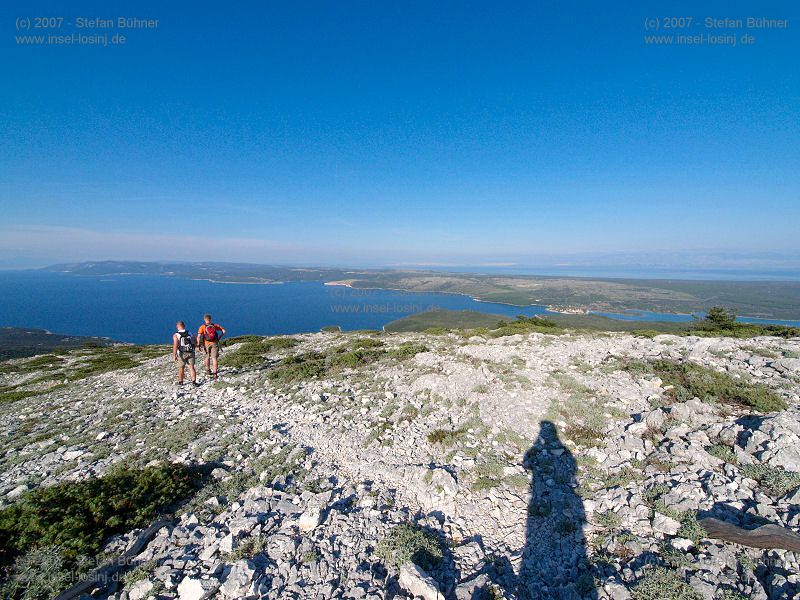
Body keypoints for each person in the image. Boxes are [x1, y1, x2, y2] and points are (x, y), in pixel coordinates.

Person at [197, 313, 226, 380]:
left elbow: (198, 336)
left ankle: (208, 370)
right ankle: (215, 374)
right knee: (214, 358)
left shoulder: (202, 327)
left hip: (206, 344)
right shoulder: (215, 326)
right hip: (214, 343)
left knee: (207, 357)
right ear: (210, 319)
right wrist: (219, 337)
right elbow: (224, 331)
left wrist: (198, 344)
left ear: (204, 319)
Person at [172, 321, 198, 386]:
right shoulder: (189, 332)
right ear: (184, 325)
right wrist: (194, 348)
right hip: (190, 352)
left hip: (181, 353)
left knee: (181, 368)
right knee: (191, 367)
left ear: (177, 327)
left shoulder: (176, 335)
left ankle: (181, 382)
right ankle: (194, 382)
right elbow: (195, 341)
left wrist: (174, 355)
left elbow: (175, 345)